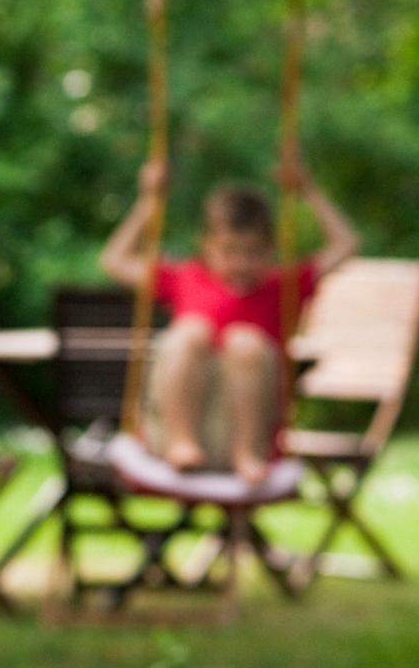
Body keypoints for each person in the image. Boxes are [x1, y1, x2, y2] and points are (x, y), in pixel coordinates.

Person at [99, 152, 360, 484]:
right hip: (181, 436)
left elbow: (347, 244)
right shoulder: (185, 278)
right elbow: (114, 260)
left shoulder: (282, 288)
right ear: (206, 246)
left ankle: (245, 451)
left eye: (253, 252)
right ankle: (182, 440)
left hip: (251, 437)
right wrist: (148, 201)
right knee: (191, 333)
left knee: (245, 342)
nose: (241, 263)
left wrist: (309, 191)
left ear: (270, 249)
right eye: (229, 251)